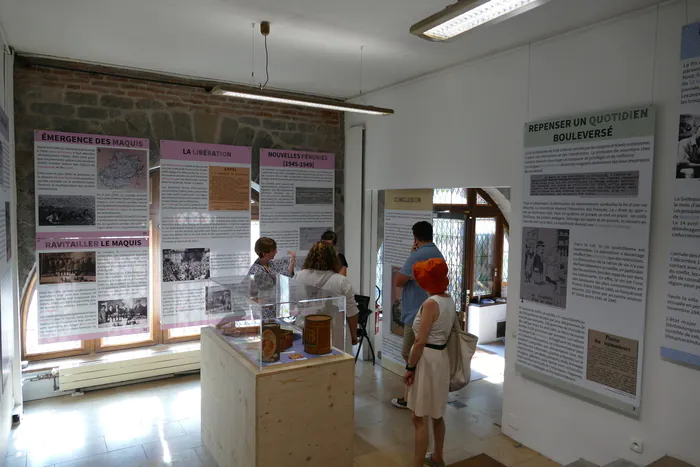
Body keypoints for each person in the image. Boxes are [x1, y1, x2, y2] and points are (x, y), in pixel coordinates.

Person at [403, 258, 456, 467]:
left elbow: (420, 340)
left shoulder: (430, 304)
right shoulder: (448, 300)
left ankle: (417, 464)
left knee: (418, 417)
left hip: (426, 360)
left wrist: (410, 367)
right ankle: (437, 456)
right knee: (437, 413)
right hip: (440, 359)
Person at [391, 221, 445, 410]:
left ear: (415, 237)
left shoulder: (417, 255)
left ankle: (413, 393)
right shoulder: (437, 253)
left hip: (415, 312)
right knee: (419, 352)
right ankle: (413, 392)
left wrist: (411, 255)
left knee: (409, 352)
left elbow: (398, 281)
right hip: (430, 309)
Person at [295, 242, 359, 351]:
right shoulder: (340, 281)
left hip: (306, 328)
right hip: (335, 333)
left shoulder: (299, 276)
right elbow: (351, 313)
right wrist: (354, 335)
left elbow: (295, 302)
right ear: (333, 258)